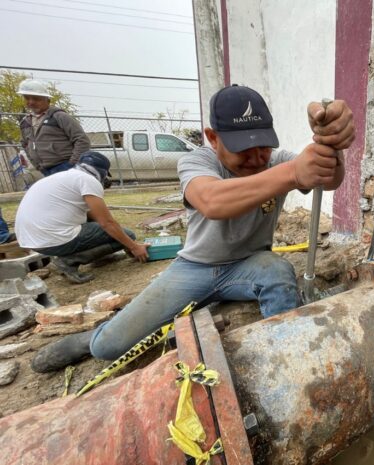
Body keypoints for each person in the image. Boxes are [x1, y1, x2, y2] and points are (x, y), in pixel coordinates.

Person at [31, 84, 354, 373]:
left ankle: (285, 361)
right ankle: (92, 337)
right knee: (108, 349)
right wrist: (293, 173)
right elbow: (212, 201)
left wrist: (332, 149)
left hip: (250, 265)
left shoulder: (277, 161)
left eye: (263, 148)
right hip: (195, 268)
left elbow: (330, 179)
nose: (257, 158)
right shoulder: (197, 162)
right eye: (243, 149)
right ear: (212, 138)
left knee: (277, 272)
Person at [15, 151, 150, 285]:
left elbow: (91, 216)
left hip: (30, 240)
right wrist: (133, 246)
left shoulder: (63, 177)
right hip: (53, 238)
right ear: (102, 172)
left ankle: (101, 258)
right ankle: (68, 261)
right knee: (127, 235)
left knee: (110, 230)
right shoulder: (87, 180)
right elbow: (107, 223)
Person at [17, 79, 91, 176]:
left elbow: (82, 140)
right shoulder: (25, 122)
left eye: (36, 98)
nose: (31, 102)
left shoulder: (59, 116)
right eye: (27, 98)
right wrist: (36, 165)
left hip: (65, 166)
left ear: (47, 100)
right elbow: (25, 144)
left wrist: (72, 164)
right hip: (45, 169)